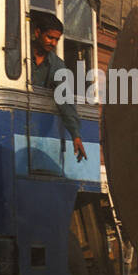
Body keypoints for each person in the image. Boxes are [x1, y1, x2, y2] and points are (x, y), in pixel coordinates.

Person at [29, 10, 88, 162]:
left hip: (42, 129)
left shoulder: (57, 65)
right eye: (50, 37)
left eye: (57, 40)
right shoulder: (21, 54)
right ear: (37, 33)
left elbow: (66, 100)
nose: (53, 43)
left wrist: (75, 136)